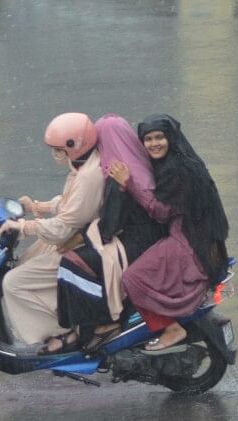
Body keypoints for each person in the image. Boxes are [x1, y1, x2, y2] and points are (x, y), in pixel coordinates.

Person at [110, 114, 229, 352]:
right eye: (148, 139)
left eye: (159, 138)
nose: (154, 144)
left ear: (171, 138)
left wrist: (129, 183)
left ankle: (171, 328)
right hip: (192, 237)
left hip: (190, 242)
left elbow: (161, 211)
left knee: (132, 278)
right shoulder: (176, 162)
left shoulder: (178, 169)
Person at [50, 114, 167, 354]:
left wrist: (78, 237)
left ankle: (100, 324)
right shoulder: (138, 163)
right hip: (146, 238)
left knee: (73, 262)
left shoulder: (119, 173)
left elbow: (109, 227)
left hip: (135, 243)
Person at [0, 113, 105, 346]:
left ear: (75, 146)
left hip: (80, 242)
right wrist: (39, 206)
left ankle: (59, 333)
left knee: (14, 282)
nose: (55, 155)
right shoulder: (85, 165)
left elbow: (65, 225)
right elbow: (72, 205)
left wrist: (25, 226)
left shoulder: (88, 176)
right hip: (75, 236)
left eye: (59, 150)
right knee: (25, 264)